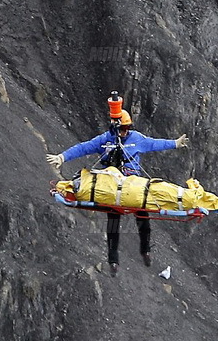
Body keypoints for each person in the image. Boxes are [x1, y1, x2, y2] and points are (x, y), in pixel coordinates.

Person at [46, 96, 189, 276]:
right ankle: (113, 260)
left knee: (142, 215)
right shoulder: (105, 140)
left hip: (132, 183)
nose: (123, 132)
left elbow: (154, 143)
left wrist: (175, 143)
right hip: (112, 184)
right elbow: (83, 147)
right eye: (121, 128)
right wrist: (62, 157)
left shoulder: (136, 139)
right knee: (113, 220)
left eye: (126, 128)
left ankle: (145, 250)